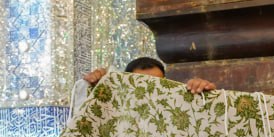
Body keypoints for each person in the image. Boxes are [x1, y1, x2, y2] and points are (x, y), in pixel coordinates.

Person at [69, 56, 216, 110]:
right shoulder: (116, 113)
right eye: (141, 85)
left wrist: (205, 96)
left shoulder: (177, 109)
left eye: (157, 85)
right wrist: (97, 88)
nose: (149, 91)